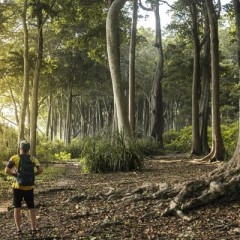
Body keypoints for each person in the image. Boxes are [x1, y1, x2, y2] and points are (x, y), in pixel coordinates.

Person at [5, 139, 43, 236]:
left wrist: (15, 175)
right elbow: (40, 170)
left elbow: (7, 170)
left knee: (17, 207)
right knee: (31, 207)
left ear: (20, 148)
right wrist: (33, 175)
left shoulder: (14, 158)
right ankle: (33, 228)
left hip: (17, 186)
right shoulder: (33, 158)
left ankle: (18, 229)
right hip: (29, 187)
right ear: (28, 149)